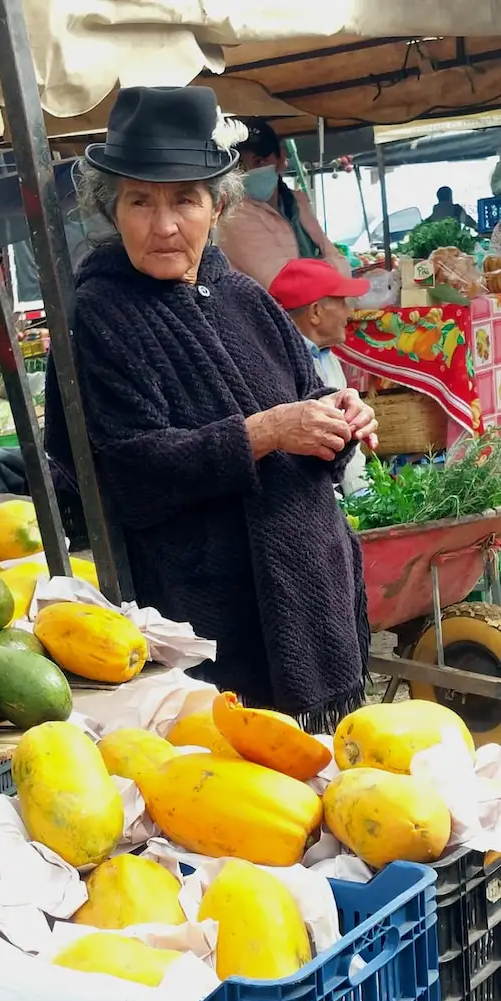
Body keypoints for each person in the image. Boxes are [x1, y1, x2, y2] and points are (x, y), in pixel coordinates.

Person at [45, 85, 378, 728]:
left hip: (313, 590)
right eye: (140, 201)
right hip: (210, 611)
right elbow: (127, 468)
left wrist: (340, 417)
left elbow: (304, 405)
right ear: (110, 210)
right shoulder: (101, 313)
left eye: (185, 201)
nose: (163, 224)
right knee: (238, 786)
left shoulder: (244, 298)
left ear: (218, 204)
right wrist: (264, 432)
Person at [268, 259, 369, 496]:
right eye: (342, 302)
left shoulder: (327, 356)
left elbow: (349, 434)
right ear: (315, 312)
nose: (349, 312)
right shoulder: (279, 364)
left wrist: (360, 491)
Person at [217, 118, 350, 289]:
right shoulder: (234, 214)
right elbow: (283, 283)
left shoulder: (297, 202)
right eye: (241, 166)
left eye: (259, 161)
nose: (249, 171)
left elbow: (341, 263)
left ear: (281, 159)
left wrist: (327, 269)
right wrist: (330, 268)